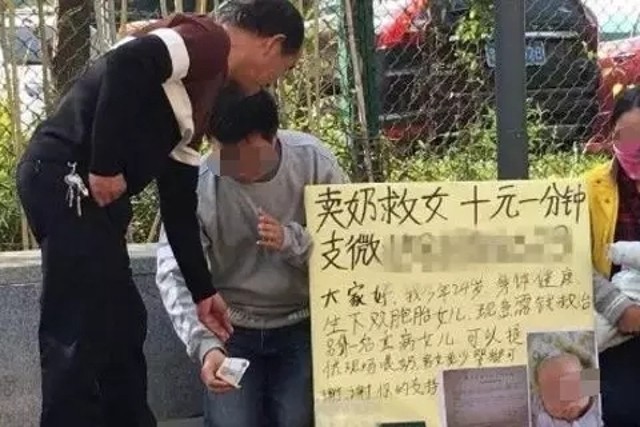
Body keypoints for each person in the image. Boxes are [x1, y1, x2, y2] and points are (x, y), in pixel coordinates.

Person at [14, 1, 304, 426]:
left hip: (97, 199)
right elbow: (126, 63)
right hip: (67, 178)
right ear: (272, 45)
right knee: (79, 327)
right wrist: (105, 165)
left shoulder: (203, 93)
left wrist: (204, 293)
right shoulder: (210, 40)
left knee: (123, 323)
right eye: (282, 69)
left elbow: (179, 204)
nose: (271, 82)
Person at [155, 85, 347, 427]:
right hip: (231, 329)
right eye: (225, 153)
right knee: (233, 421)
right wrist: (206, 346)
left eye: (248, 153)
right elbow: (174, 272)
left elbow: (349, 248)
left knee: (296, 417)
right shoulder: (199, 182)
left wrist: (292, 241)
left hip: (302, 323)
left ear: (271, 136)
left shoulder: (314, 161)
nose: (237, 166)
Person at [586, 85, 640, 426]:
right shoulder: (588, 188)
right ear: (612, 135)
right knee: (593, 398)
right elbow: (572, 262)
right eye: (628, 136)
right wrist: (621, 309)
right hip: (610, 328)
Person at [533, 353, 601, 426]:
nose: (567, 403)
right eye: (554, 395)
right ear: (541, 399)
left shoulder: (595, 405)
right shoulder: (540, 416)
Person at [596, 241, 640, 352]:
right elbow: (631, 251)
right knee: (599, 330)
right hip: (624, 295)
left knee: (607, 336)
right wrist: (613, 251)